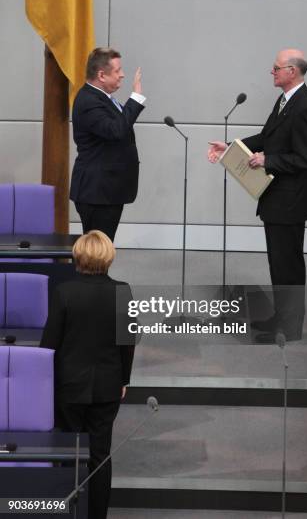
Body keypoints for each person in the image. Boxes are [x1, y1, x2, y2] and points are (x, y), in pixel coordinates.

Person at [208, 49, 307, 341]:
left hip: (291, 202)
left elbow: (305, 158)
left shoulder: (305, 106)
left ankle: (291, 329)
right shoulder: (284, 101)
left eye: (276, 68)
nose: (271, 72)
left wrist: (268, 160)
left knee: (289, 265)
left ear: (292, 72)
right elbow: (267, 137)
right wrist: (231, 147)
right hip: (276, 199)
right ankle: (281, 318)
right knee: (278, 263)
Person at [40, 230, 135, 519]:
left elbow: (49, 346)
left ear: (77, 257)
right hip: (107, 386)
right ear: (108, 257)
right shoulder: (123, 291)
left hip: (69, 386)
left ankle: (68, 512)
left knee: (69, 452)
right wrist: (123, 380)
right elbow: (127, 342)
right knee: (100, 455)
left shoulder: (64, 293)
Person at [70, 47, 146, 241]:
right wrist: (136, 96)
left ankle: (100, 272)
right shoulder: (89, 101)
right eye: (117, 70)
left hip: (107, 191)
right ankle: (95, 272)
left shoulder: (103, 98)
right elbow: (116, 130)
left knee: (102, 247)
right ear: (102, 75)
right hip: (97, 192)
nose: (122, 75)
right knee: (96, 250)